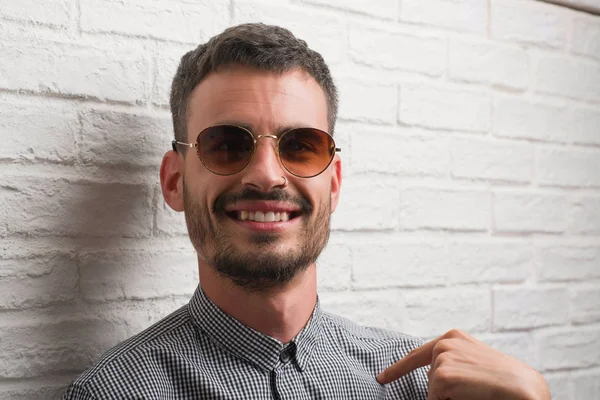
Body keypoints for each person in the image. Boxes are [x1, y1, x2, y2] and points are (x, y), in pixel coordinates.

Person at [62, 23, 550, 399]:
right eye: (228, 144)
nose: (268, 175)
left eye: (300, 146)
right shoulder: (113, 392)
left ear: (333, 184)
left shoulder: (419, 384)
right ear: (174, 181)